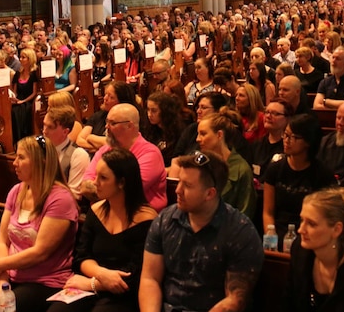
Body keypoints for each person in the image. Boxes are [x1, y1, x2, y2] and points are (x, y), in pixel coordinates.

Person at [0, 136, 79, 311]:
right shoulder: (17, 191)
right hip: (10, 275)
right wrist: (2, 279)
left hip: (44, 281)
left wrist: (2, 265)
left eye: (21, 158)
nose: (15, 163)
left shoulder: (60, 199)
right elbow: (3, 241)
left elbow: (40, 252)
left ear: (41, 161)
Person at [139, 151, 264, 312]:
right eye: (179, 182)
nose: (178, 190)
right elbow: (150, 279)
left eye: (188, 185)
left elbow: (234, 300)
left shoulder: (240, 231)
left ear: (210, 193)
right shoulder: (165, 220)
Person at [48, 148, 157, 312]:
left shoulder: (146, 220)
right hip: (93, 281)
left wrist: (93, 284)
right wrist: (100, 274)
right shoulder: (97, 210)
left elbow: (134, 276)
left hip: (125, 294)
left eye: (103, 178)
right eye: (96, 175)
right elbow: (81, 256)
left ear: (122, 183)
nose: (95, 182)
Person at [262, 113, 334, 248]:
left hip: (308, 233)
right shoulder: (275, 169)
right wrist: (271, 237)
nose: (286, 140)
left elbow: (326, 216)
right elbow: (268, 212)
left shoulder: (323, 175)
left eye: (293, 137)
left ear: (308, 142)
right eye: (286, 135)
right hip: (277, 232)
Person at [82, 103, 167, 211]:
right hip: (104, 213)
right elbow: (85, 185)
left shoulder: (150, 154)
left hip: (140, 218)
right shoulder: (105, 149)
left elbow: (128, 192)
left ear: (129, 126)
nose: (106, 127)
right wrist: (110, 190)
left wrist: (99, 189)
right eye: (107, 122)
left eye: (112, 123)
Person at [195, 107, 256, 219]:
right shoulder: (199, 164)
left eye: (203, 134)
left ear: (219, 135)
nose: (197, 139)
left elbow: (245, 214)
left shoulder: (241, 170)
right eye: (198, 134)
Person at [43, 105, 90, 200]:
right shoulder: (39, 149)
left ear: (65, 132)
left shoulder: (78, 155)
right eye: (44, 125)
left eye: (50, 127)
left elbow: (74, 196)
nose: (44, 131)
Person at [77, 81, 138, 154]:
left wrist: (91, 137)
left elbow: (117, 145)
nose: (105, 98)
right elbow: (79, 140)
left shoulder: (128, 119)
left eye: (111, 97)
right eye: (105, 94)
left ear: (121, 102)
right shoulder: (97, 116)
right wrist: (101, 149)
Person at [142, 91, 186, 166]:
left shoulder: (179, 132)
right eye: (148, 110)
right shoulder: (148, 129)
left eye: (154, 111)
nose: (149, 114)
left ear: (165, 111)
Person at [11, 47, 38, 140]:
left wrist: (23, 101)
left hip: (29, 100)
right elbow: (15, 90)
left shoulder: (34, 73)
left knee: (21, 110)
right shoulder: (18, 73)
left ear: (30, 59)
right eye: (20, 57)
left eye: (23, 57)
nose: (21, 59)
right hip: (19, 99)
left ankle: (24, 136)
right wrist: (14, 98)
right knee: (12, 110)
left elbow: (34, 92)